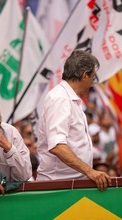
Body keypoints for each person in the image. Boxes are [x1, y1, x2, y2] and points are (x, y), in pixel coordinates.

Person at [36, 50, 110, 191]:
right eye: (92, 78)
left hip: (69, 184)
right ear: (84, 76)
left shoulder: (68, 98)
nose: (92, 83)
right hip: (58, 186)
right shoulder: (60, 99)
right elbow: (57, 145)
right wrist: (89, 171)